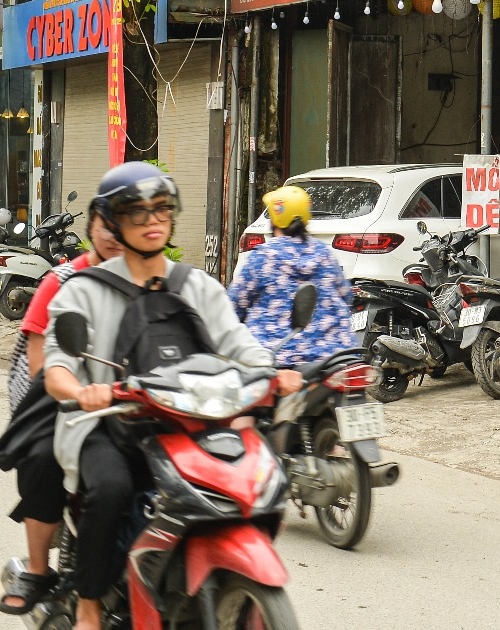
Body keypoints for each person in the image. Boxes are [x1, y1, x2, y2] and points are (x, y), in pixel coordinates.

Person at [42, 162, 304, 630]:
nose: (151, 221)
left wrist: (274, 370)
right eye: (136, 212)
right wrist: (83, 391)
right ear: (114, 222)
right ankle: (88, 606)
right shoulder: (84, 290)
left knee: (254, 481)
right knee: (112, 488)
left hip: (191, 421)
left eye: (160, 209)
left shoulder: (196, 285)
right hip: (111, 423)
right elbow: (58, 365)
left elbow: (237, 343)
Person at [0, 208, 124, 615]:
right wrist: (67, 395)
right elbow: (39, 358)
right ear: (92, 231)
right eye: (109, 226)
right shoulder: (64, 280)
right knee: (42, 457)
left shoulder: (151, 280)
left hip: (128, 396)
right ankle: (38, 569)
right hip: (53, 393)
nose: (118, 236)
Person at [228, 185, 355, 365]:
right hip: (333, 357)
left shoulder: (263, 257)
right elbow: (346, 296)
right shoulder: (324, 254)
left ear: (274, 219)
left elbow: (234, 305)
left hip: (276, 357)